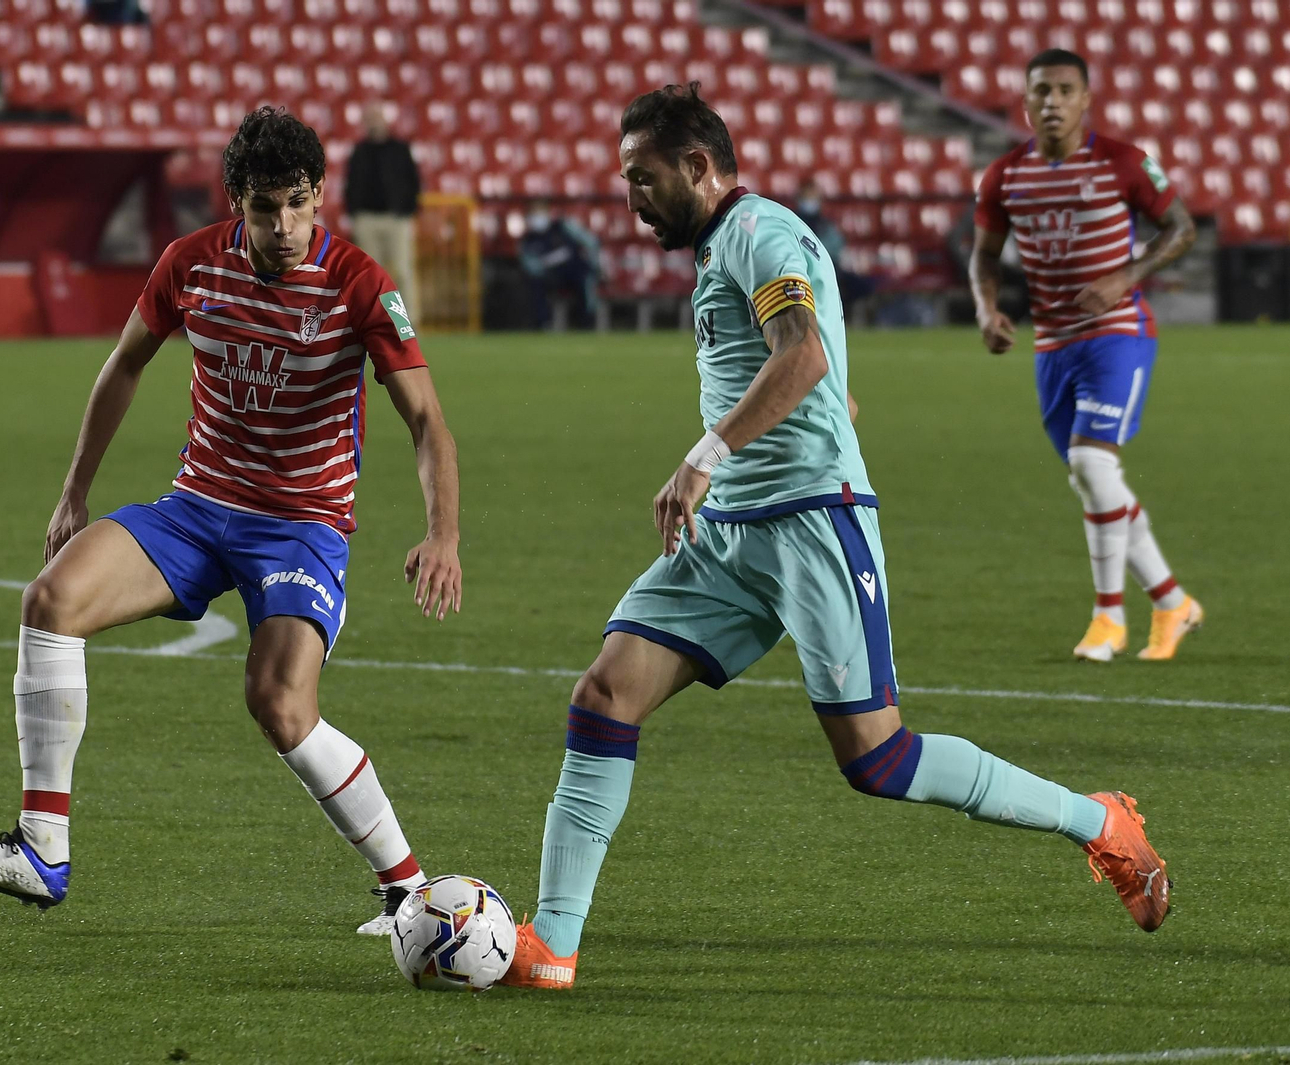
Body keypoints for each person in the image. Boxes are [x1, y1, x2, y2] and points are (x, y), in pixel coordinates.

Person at [498, 83, 1171, 991]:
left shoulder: (758, 232)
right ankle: (554, 944)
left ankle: (1101, 823)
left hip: (813, 521)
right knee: (604, 695)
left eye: (644, 178)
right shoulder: (719, 250)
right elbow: (820, 374)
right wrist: (781, 431)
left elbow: (802, 350)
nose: (631, 199)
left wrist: (704, 453)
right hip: (730, 529)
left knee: (879, 759)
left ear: (698, 166)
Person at [0, 106, 463, 937]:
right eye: (261, 207)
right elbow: (124, 364)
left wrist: (443, 531)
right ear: (235, 203)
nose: (281, 226)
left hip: (300, 524)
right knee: (50, 602)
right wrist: (75, 490)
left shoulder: (361, 284)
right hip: (197, 507)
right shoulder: (191, 265)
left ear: (320, 196)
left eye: (295, 204)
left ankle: (407, 890)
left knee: (279, 703)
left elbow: (426, 419)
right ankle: (41, 850)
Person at [970, 49, 1200, 663]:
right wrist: (986, 309)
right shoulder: (1005, 177)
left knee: (1094, 468)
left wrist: (1127, 276)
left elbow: (1181, 228)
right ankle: (1173, 602)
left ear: (1086, 100)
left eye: (1065, 90)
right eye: (1041, 90)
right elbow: (986, 258)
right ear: (1025, 100)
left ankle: (1108, 619)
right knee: (1096, 481)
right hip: (1052, 346)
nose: (1052, 101)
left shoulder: (1122, 162)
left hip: (1118, 332)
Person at [345, 102, 421, 323]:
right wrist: (355, 213)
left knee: (403, 272)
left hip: (396, 218)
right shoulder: (359, 151)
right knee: (369, 276)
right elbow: (351, 184)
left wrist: (407, 208)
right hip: (367, 219)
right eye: (369, 119)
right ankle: (371, 323)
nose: (373, 123)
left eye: (376, 118)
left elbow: (413, 182)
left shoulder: (400, 148)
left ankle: (407, 323)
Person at [517, 199, 602, 330]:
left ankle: (586, 323)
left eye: (541, 212)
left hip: (573, 269)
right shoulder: (528, 240)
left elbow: (591, 242)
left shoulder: (563, 227)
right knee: (534, 283)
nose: (538, 217)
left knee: (585, 276)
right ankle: (543, 324)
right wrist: (543, 266)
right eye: (534, 213)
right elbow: (530, 266)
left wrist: (593, 261)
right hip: (550, 275)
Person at [793, 178, 870, 318]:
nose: (811, 201)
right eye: (808, 197)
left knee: (861, 284)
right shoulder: (794, 221)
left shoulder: (825, 224)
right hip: (803, 269)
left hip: (830, 268)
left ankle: (850, 318)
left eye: (813, 197)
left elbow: (837, 246)